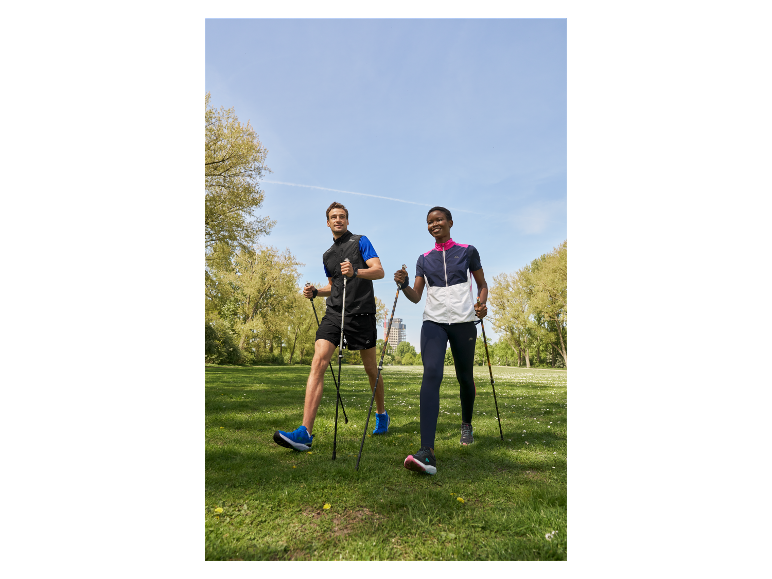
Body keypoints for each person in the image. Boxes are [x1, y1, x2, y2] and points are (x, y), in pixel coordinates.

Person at [273, 202, 390, 451]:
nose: (338, 220)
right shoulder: (327, 255)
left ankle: (381, 414)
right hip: (335, 313)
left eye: (342, 217)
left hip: (361, 313)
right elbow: (334, 286)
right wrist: (316, 291)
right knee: (319, 361)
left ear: (347, 221)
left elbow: (378, 271)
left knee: (371, 369)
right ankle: (305, 432)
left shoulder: (361, 241)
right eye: (333, 217)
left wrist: (356, 271)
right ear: (327, 222)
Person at [393, 206, 488, 475]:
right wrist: (403, 284)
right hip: (433, 322)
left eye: (439, 220)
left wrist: (481, 305)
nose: (434, 224)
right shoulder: (424, 258)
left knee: (465, 378)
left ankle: (466, 423)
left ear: (450, 222)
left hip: (463, 321)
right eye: (430, 222)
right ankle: (427, 451)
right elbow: (415, 296)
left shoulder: (468, 251)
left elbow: (482, 285)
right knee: (431, 373)